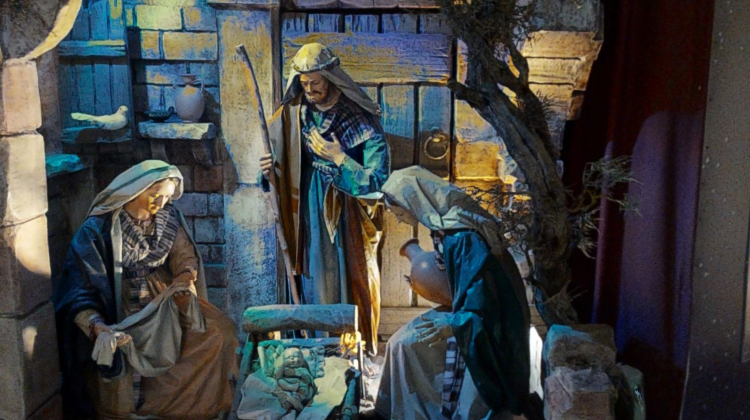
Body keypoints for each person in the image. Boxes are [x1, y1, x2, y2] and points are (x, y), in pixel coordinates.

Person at [53, 160, 239, 420]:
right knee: (123, 359)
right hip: (119, 305)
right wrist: (96, 325)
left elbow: (184, 256)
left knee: (220, 332)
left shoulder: (168, 218)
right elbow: (80, 287)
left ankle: (196, 408)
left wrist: (184, 278)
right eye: (155, 196)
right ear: (136, 191)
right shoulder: (98, 230)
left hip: (163, 302)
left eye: (167, 197)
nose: (161, 203)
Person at [259, 43, 390, 354]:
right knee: (312, 277)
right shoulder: (296, 113)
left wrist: (339, 157)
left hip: (347, 213)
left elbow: (378, 179)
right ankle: (313, 345)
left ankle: (348, 348)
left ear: (331, 79)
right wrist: (269, 172)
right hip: (305, 210)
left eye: (315, 82)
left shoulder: (359, 117)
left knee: (345, 278)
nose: (309, 89)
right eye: (304, 83)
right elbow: (283, 162)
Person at [375, 166, 532, 420]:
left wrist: (452, 324)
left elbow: (485, 300)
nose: (400, 220)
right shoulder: (445, 227)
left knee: (407, 345)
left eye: (399, 213)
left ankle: (426, 412)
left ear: (415, 202)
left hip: (490, 328)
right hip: (466, 312)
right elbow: (460, 278)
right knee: (398, 343)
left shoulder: (463, 237)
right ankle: (402, 412)